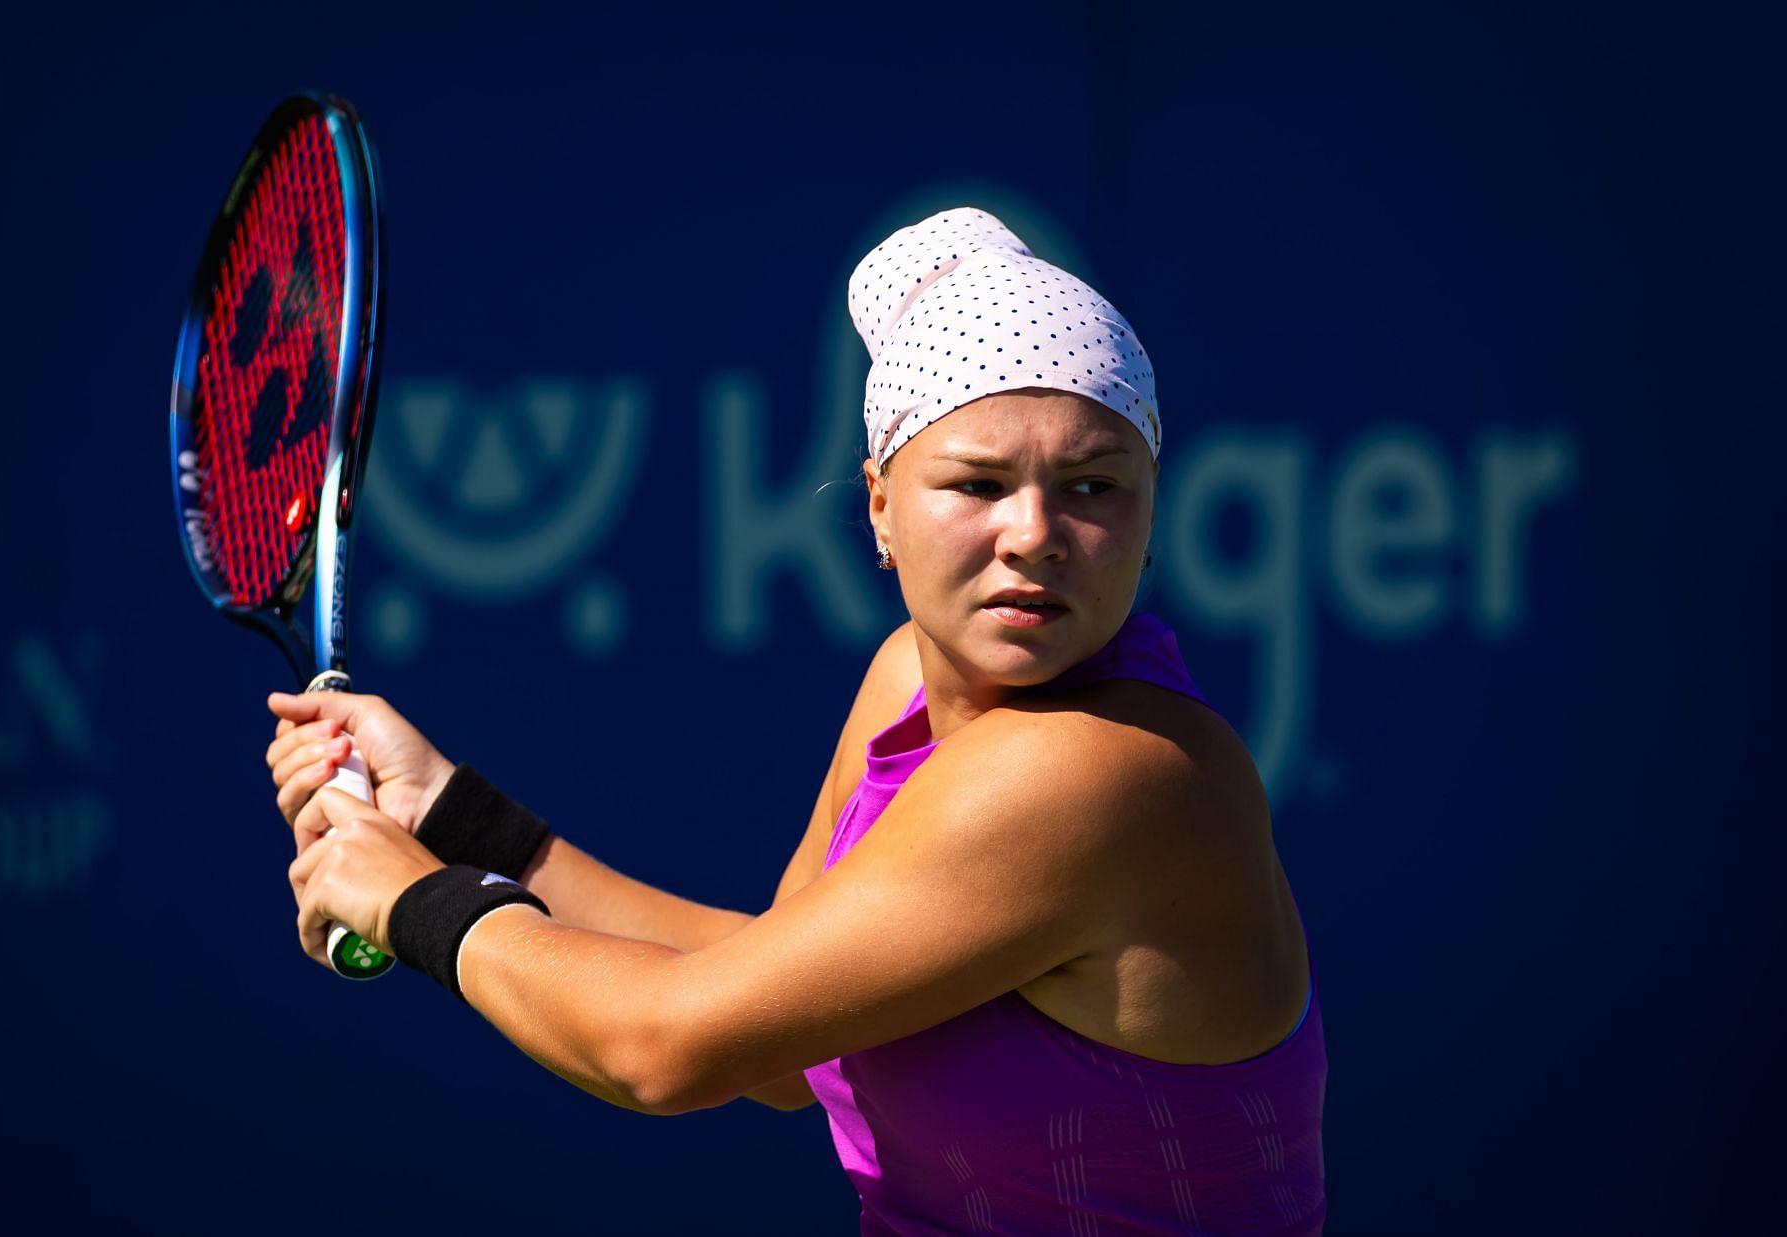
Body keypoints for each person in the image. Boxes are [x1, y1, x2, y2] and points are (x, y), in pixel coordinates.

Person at [264, 208, 1327, 1234]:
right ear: (880, 507)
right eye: (979, 482)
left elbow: (664, 1046)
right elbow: (781, 1048)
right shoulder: (907, 675)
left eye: (1094, 486)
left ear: (1150, 515)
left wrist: (415, 900)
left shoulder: (1095, 775)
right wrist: (454, 820)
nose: (1035, 533)